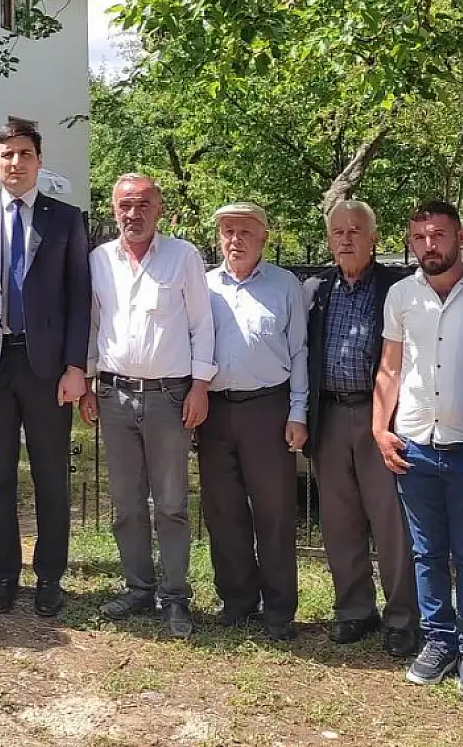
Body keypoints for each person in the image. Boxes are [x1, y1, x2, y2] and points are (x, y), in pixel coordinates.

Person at [0, 123, 91, 617]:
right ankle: (4, 575)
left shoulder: (67, 220)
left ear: (38, 160)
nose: (15, 163)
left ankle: (49, 576)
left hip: (47, 366)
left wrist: (77, 367)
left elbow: (79, 300)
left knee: (52, 476)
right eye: (6, 155)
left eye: (24, 154)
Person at [372, 201, 463, 701]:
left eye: (438, 235)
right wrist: (381, 428)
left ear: (460, 237)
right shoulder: (401, 295)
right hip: (415, 443)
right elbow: (390, 368)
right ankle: (439, 639)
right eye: (420, 237)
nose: (429, 245)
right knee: (426, 553)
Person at [79, 174, 213, 640]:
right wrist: (87, 383)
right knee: (124, 503)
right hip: (114, 395)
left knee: (172, 504)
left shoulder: (184, 256)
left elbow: (202, 324)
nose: (132, 214)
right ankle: (138, 588)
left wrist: (200, 387)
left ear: (159, 209)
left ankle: (175, 598)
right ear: (113, 210)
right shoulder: (99, 260)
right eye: (124, 205)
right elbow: (93, 325)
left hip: (170, 397)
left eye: (142, 205)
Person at [304, 200, 415, 656]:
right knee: (339, 521)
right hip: (328, 416)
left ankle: (403, 618)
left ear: (373, 238)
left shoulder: (397, 288)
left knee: (391, 523)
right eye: (337, 232)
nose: (345, 239)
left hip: (379, 419)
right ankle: (353, 610)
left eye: (355, 231)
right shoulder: (314, 289)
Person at [200, 202, 307, 642]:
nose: (235, 240)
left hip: (268, 408)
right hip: (215, 408)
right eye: (227, 231)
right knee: (223, 509)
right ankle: (237, 599)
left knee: (275, 510)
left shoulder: (285, 286)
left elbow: (300, 351)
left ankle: (279, 607)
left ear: (263, 236)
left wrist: (298, 412)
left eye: (245, 231)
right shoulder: (204, 286)